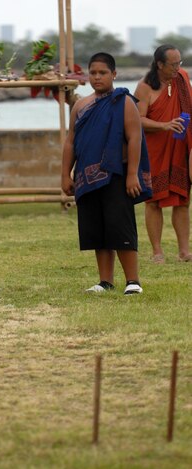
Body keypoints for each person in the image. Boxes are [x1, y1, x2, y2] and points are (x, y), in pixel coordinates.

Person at [62, 52, 152, 295]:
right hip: (86, 178)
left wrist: (132, 174)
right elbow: (71, 141)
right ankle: (105, 281)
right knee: (97, 230)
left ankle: (133, 280)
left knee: (120, 226)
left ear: (114, 74)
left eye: (102, 73)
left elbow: (135, 139)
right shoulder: (81, 106)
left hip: (116, 175)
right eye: (93, 73)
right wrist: (65, 174)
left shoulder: (124, 102)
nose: (97, 77)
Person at [134, 45, 192, 263]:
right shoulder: (145, 87)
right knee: (153, 201)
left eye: (180, 63)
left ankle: (185, 251)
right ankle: (157, 252)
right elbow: (138, 119)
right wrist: (165, 125)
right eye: (173, 64)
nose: (178, 68)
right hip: (155, 150)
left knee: (183, 200)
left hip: (180, 147)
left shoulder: (183, 78)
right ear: (159, 64)